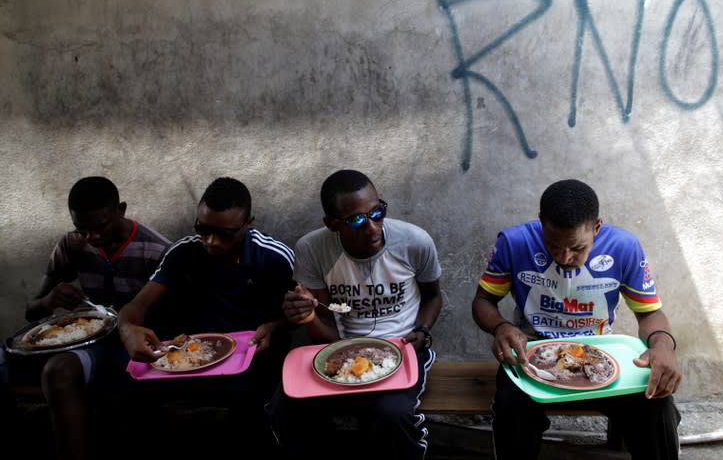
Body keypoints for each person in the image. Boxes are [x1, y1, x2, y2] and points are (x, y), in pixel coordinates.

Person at [471, 179, 681, 460]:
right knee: (511, 410)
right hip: (530, 357)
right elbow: (483, 301)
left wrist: (664, 346)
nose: (564, 257)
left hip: (599, 358)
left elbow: (649, 312)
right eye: (553, 246)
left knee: (657, 403)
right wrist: (501, 327)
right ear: (541, 223)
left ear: (597, 227)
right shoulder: (514, 243)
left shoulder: (623, 247)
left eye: (577, 248)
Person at [268, 169, 443, 460]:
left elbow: (434, 296)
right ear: (331, 224)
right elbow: (326, 329)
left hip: (401, 349)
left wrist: (423, 330)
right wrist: (308, 318)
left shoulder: (414, 241)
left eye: (378, 212)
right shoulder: (313, 249)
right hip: (340, 350)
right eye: (357, 221)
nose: (373, 228)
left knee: (393, 414)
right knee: (285, 406)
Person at [118, 176, 295, 454]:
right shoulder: (183, 252)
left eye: (226, 233)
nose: (211, 241)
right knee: (127, 386)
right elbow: (136, 307)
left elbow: (295, 313)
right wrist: (127, 328)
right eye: (203, 229)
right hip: (189, 356)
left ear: (248, 223)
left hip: (246, 357)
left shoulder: (272, 256)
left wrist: (274, 327)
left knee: (249, 397)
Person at [11, 176, 171, 460]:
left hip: (141, 343)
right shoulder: (72, 245)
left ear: (121, 210)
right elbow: (31, 310)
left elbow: (176, 316)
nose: (92, 238)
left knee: (122, 384)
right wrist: (49, 301)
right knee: (56, 371)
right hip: (92, 341)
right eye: (81, 229)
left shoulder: (156, 250)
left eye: (100, 227)